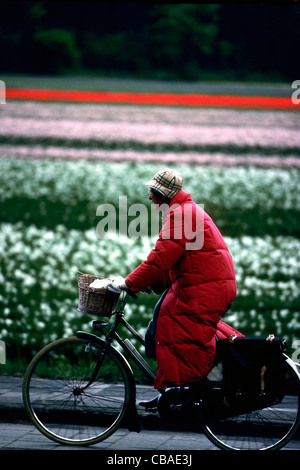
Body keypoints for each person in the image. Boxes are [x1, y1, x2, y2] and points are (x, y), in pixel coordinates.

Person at [109, 168, 236, 410]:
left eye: (152, 192)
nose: (149, 197)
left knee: (171, 324)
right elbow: (175, 261)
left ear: (161, 194)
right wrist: (150, 282)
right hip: (207, 284)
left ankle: (187, 389)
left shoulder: (181, 216)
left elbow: (159, 260)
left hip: (205, 288)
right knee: (161, 320)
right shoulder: (184, 212)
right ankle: (172, 391)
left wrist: (128, 283)